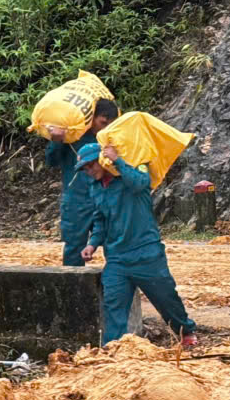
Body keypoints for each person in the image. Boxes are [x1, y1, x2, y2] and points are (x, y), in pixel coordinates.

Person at [76, 142, 198, 348]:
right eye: (85, 168)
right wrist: (93, 244)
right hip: (116, 257)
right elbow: (100, 219)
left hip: (146, 253)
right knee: (113, 304)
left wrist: (118, 161)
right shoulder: (96, 188)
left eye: (91, 165)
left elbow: (142, 183)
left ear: (103, 160)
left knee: (165, 297)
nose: (89, 171)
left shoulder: (130, 176)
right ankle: (113, 347)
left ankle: (185, 331)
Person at [45, 99, 120, 266]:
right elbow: (51, 161)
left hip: (106, 196)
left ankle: (119, 287)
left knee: (115, 245)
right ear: (91, 118)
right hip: (76, 200)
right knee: (74, 247)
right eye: (103, 122)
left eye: (110, 124)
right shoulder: (71, 135)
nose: (105, 127)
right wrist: (56, 140)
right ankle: (73, 290)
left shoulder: (111, 138)